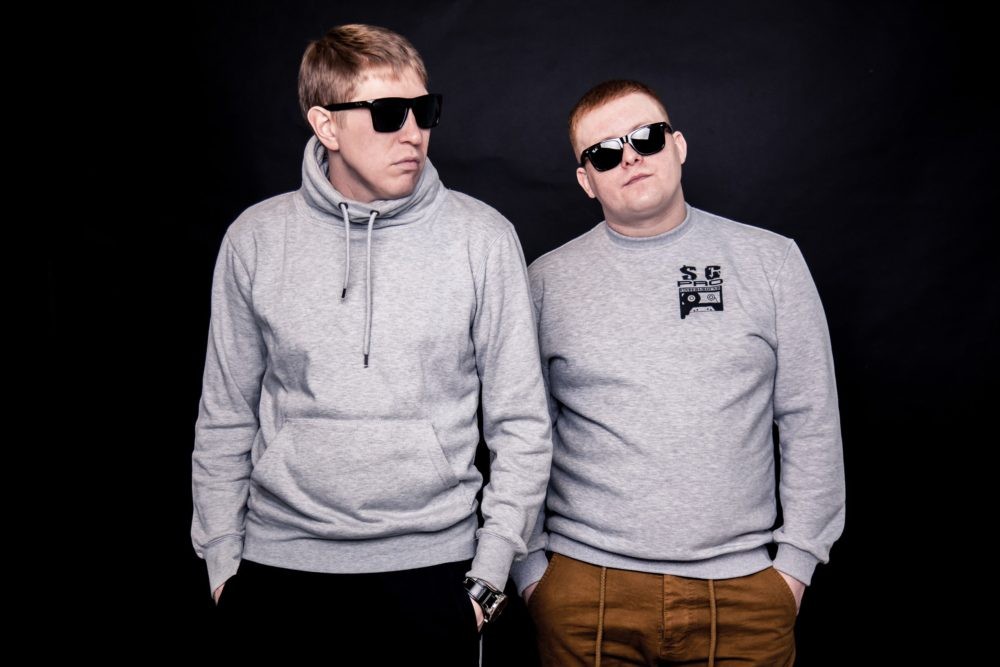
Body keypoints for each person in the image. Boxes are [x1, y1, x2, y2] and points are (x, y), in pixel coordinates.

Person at [191, 24, 551, 662]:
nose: (413, 133)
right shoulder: (256, 238)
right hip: (277, 572)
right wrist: (223, 564)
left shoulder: (483, 238)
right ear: (326, 125)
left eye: (424, 110)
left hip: (436, 572)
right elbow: (224, 417)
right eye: (388, 114)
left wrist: (488, 581)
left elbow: (521, 423)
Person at [512, 79, 845, 666]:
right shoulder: (545, 282)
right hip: (586, 591)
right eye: (604, 153)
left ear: (679, 145)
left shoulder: (771, 262)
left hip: (746, 594)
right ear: (586, 180)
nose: (630, 157)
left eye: (646, 137)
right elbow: (521, 432)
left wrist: (795, 567)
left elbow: (810, 421)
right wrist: (532, 575)